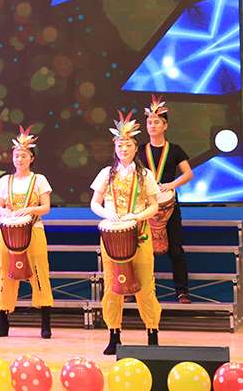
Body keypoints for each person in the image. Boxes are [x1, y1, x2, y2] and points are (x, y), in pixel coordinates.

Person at [90, 111, 161, 355]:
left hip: (139, 234)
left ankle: (152, 332)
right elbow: (94, 203)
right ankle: (114, 334)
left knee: (145, 285)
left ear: (135, 148)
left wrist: (137, 216)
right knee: (113, 285)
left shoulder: (145, 175)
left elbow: (154, 205)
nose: (124, 149)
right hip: (113, 238)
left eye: (128, 145)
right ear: (115, 148)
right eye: (120, 145)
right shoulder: (105, 174)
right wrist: (106, 214)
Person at [0, 126, 54, 339]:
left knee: (38, 272)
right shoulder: (5, 181)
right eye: (16, 155)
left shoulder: (39, 180)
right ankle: (2, 321)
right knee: (6, 272)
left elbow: (46, 207)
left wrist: (29, 210)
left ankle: (45, 322)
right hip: (8, 233)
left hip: (33, 230)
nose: (19, 159)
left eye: (24, 155)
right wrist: (5, 212)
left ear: (31, 158)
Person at [143, 96, 194, 303]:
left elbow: (188, 174)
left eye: (157, 122)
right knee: (144, 251)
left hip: (170, 206)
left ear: (165, 126)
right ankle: (141, 291)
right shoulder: (140, 150)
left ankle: (182, 291)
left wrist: (171, 185)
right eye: (149, 122)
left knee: (176, 249)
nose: (152, 125)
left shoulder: (175, 149)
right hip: (146, 206)